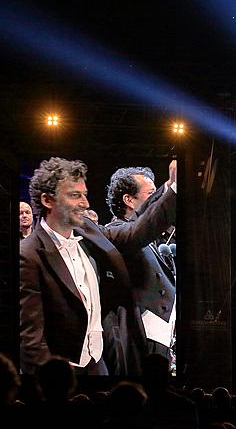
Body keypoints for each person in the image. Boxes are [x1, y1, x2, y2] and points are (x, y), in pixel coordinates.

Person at [19, 157, 176, 375]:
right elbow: (32, 340)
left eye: (84, 194)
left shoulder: (88, 230)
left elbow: (136, 231)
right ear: (48, 200)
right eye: (75, 195)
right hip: (63, 373)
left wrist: (173, 187)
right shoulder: (28, 254)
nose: (85, 203)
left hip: (98, 363)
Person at [106, 166, 176, 360]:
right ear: (128, 200)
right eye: (151, 194)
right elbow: (144, 223)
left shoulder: (140, 234)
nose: (157, 201)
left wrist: (169, 185)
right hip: (144, 331)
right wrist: (173, 189)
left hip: (159, 331)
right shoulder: (118, 232)